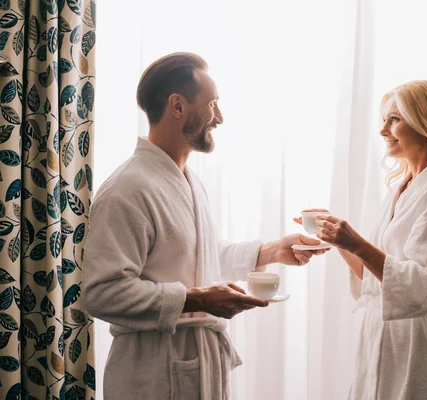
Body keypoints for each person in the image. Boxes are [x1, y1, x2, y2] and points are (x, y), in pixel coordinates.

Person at [82, 52, 325, 400]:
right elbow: (101, 292)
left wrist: (271, 251)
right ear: (177, 106)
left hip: (198, 367)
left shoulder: (187, 180)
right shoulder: (127, 189)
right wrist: (197, 299)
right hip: (151, 377)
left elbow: (195, 255)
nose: (220, 117)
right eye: (213, 104)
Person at [305, 80, 427, 399]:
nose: (384, 130)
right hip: (381, 343)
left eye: (394, 119)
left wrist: (356, 242)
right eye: (384, 120)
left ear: (425, 123)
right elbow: (375, 279)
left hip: (419, 350)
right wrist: (338, 240)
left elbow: (421, 286)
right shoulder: (403, 187)